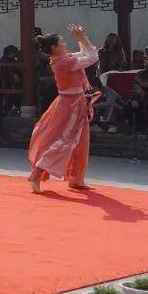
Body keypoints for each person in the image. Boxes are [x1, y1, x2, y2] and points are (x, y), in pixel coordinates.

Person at [27, 25, 99, 194]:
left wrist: (82, 38)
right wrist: (82, 37)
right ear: (54, 47)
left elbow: (84, 55)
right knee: (63, 142)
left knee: (81, 143)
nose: (65, 43)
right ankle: (37, 175)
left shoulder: (64, 59)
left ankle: (76, 179)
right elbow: (92, 57)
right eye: (62, 41)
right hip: (70, 105)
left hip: (75, 102)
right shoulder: (64, 62)